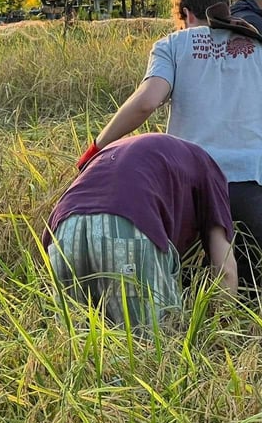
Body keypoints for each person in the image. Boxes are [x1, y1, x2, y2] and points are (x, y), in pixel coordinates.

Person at [77, 0, 262, 290]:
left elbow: (147, 102)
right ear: (225, 9)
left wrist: (97, 148)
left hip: (188, 187)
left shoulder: (173, 45)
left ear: (185, 15)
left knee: (184, 290)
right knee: (256, 295)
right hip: (250, 187)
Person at [45, 133, 236, 332]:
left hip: (64, 232)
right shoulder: (210, 170)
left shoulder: (130, 149)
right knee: (153, 352)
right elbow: (225, 271)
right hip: (126, 230)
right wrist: (221, 334)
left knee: (77, 348)